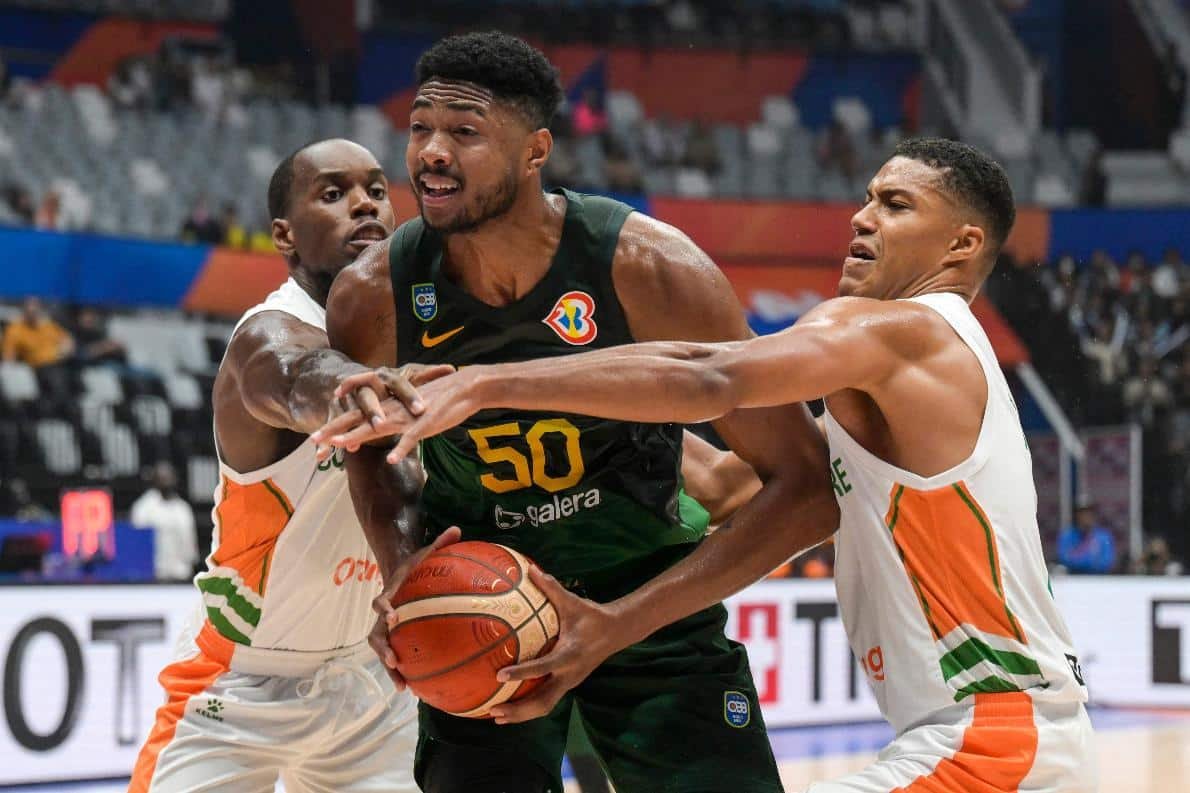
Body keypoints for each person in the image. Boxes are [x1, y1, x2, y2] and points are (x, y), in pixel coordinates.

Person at [324, 137, 1097, 792]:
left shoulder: (899, 330)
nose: (861, 218)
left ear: (963, 245)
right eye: (867, 198)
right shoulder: (904, 379)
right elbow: (732, 482)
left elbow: (711, 374)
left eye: (896, 207)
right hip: (1008, 733)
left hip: (994, 735)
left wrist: (489, 379)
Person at [316, 32, 836, 793]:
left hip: (650, 607)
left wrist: (619, 623)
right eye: (421, 127)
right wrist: (402, 576)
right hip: (475, 607)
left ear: (535, 151)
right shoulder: (373, 295)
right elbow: (370, 448)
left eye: (464, 133)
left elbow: (808, 489)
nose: (430, 152)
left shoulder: (650, 269)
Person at [129, 139, 442, 793]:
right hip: (237, 680)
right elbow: (302, 375)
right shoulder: (264, 336)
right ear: (285, 236)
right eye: (333, 193)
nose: (363, 203)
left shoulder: (422, 334)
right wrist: (361, 389)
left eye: (376, 190)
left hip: (368, 683)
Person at [130, 461, 199, 582]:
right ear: (154, 480)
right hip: (154, 576)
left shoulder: (183, 508)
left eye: (169, 477)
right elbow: (137, 545)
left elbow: (190, 542)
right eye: (162, 478)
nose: (167, 481)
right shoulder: (143, 507)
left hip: (181, 573)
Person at [1, 297, 74, 368]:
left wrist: (65, 348)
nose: (32, 310)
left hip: (60, 363)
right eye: (29, 307)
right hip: (37, 367)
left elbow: (67, 340)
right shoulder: (15, 329)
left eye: (35, 307)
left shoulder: (48, 325)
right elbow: (8, 357)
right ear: (24, 310)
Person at [1056, 497, 1117, 575]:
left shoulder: (1103, 536)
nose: (1085, 517)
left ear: (1094, 515)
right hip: (1073, 579)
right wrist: (1090, 560)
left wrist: (1080, 559)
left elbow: (1107, 561)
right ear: (1076, 515)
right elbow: (1064, 558)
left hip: (1099, 580)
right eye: (1082, 513)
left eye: (1089, 513)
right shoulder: (1067, 536)